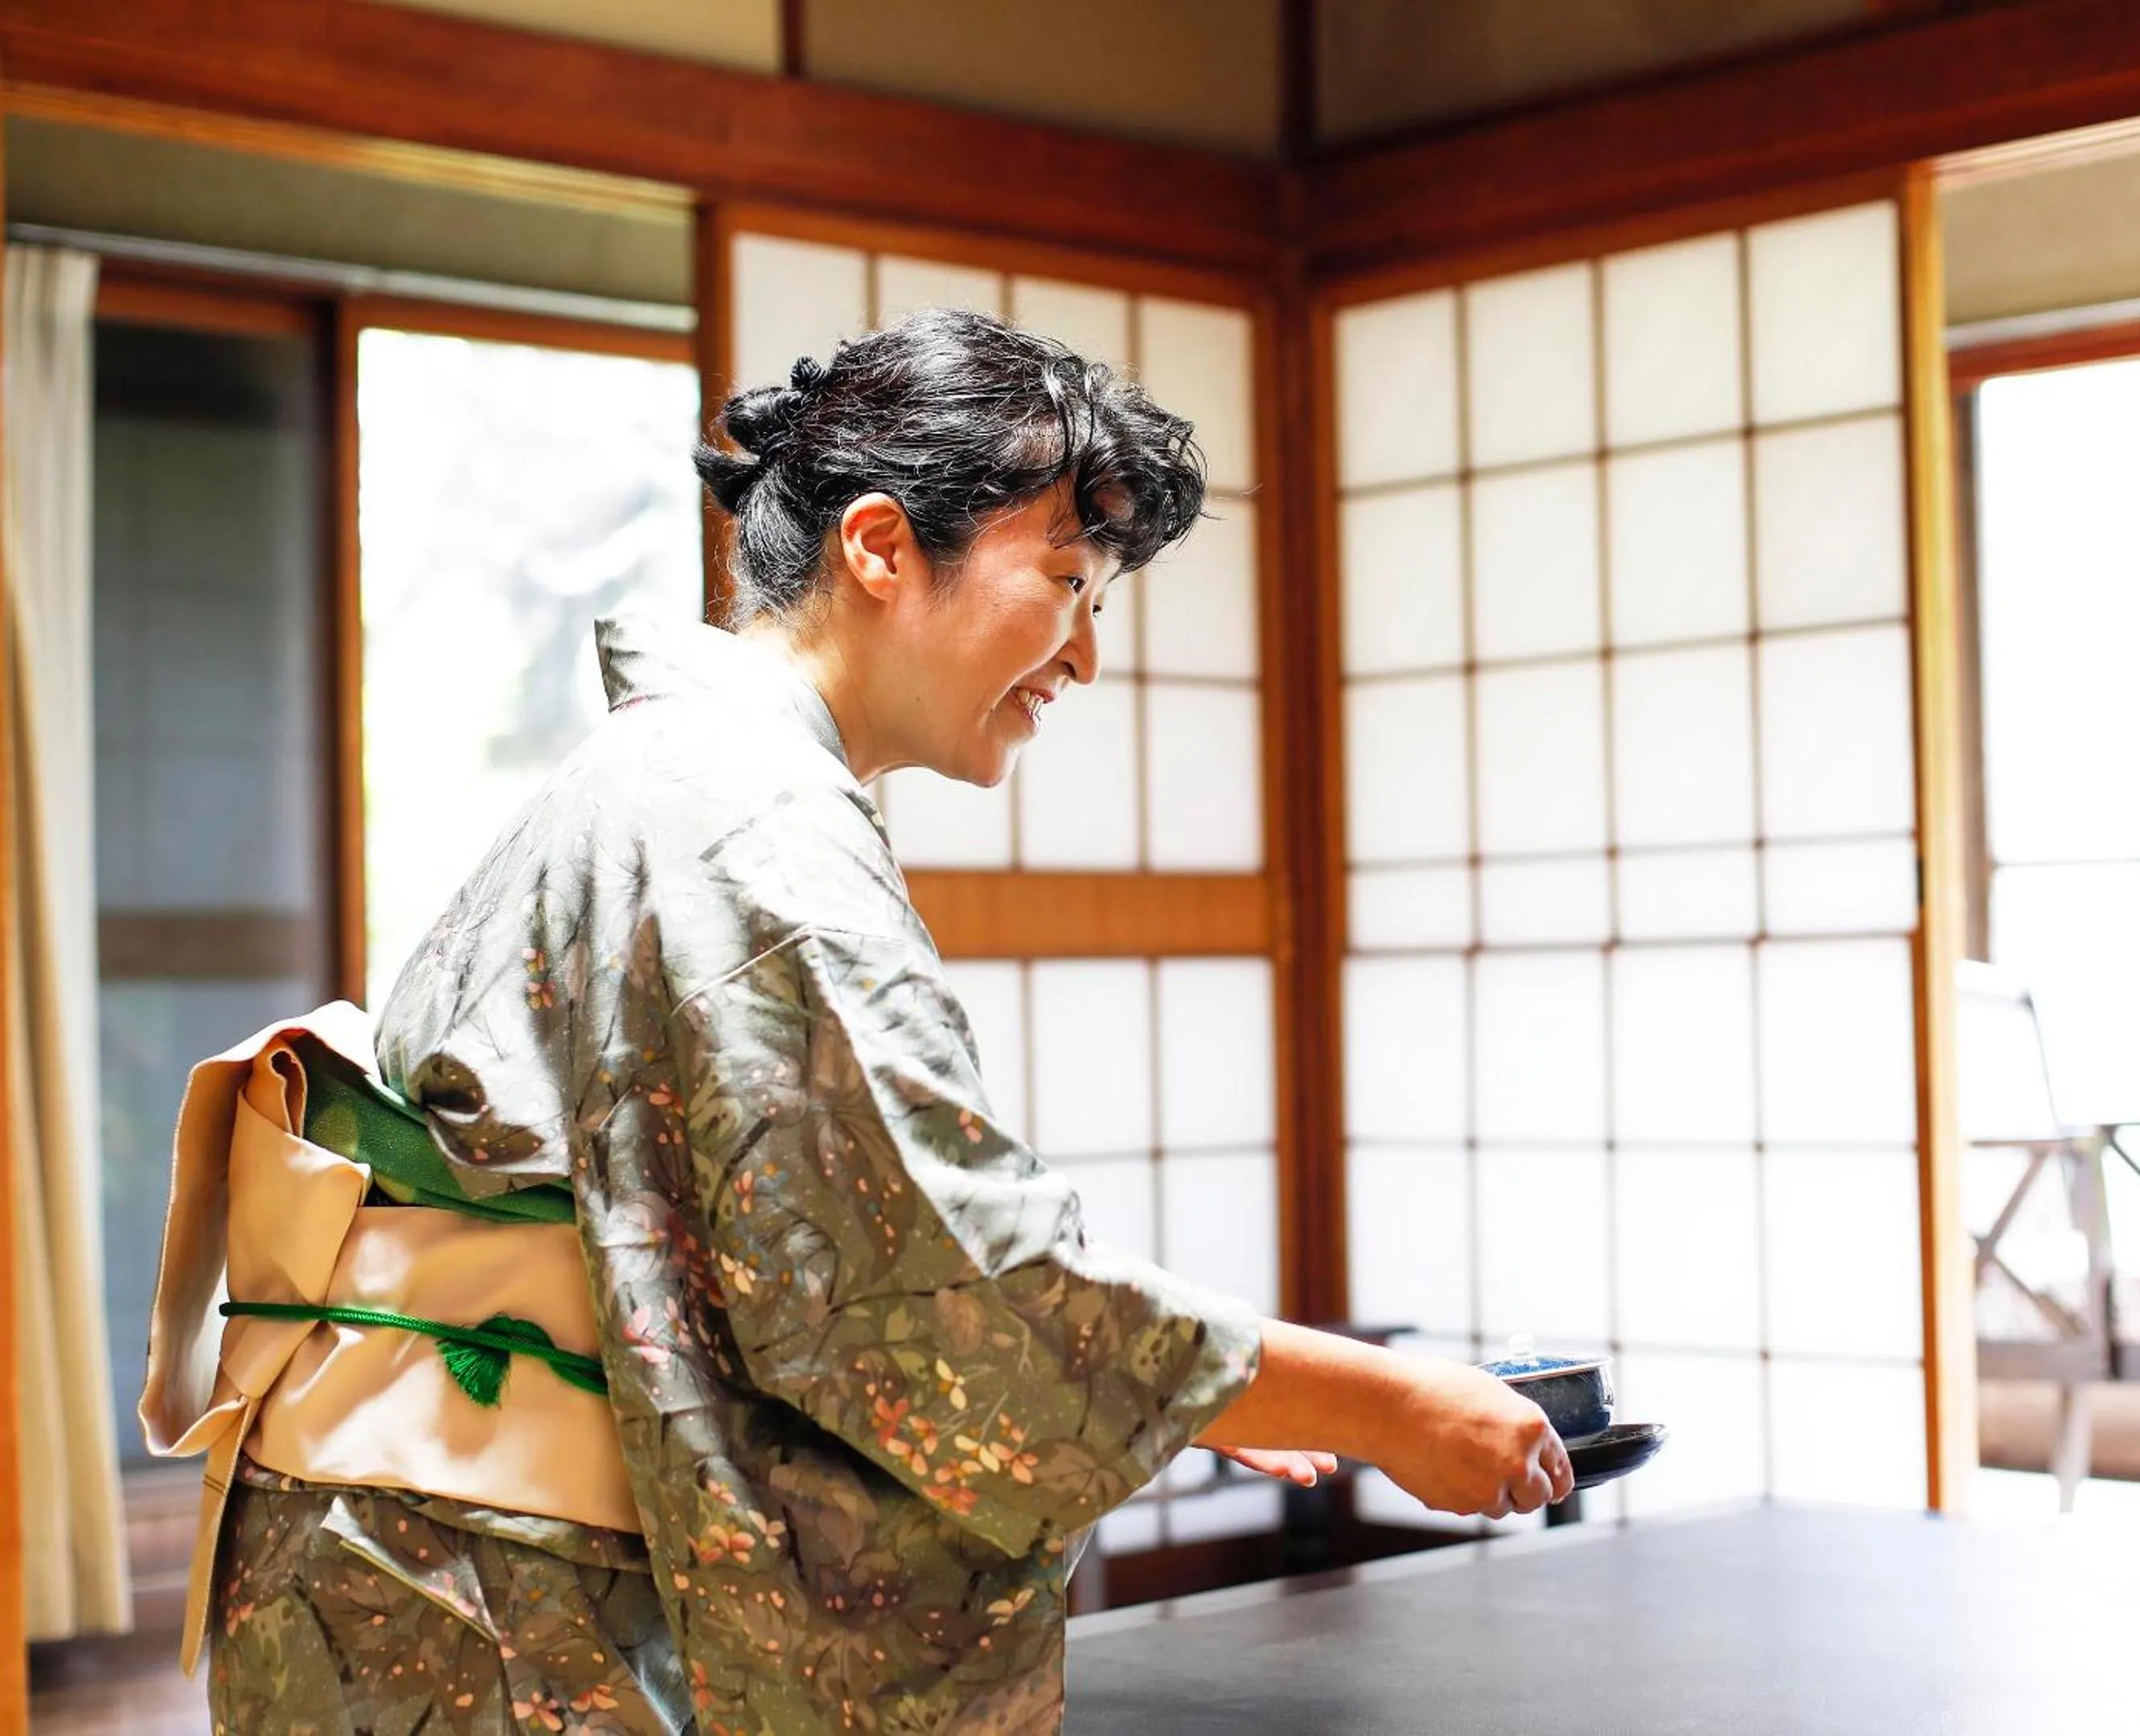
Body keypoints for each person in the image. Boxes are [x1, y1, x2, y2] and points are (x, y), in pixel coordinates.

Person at [186, 308, 1571, 1734]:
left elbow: (820, 1268)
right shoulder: (746, 823)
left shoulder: (683, 775)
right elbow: (950, 1295)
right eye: (1066, 581)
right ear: (879, 548)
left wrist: (1189, 1399)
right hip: (477, 1600)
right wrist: (1388, 1408)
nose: (1084, 656)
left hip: (420, 1572)